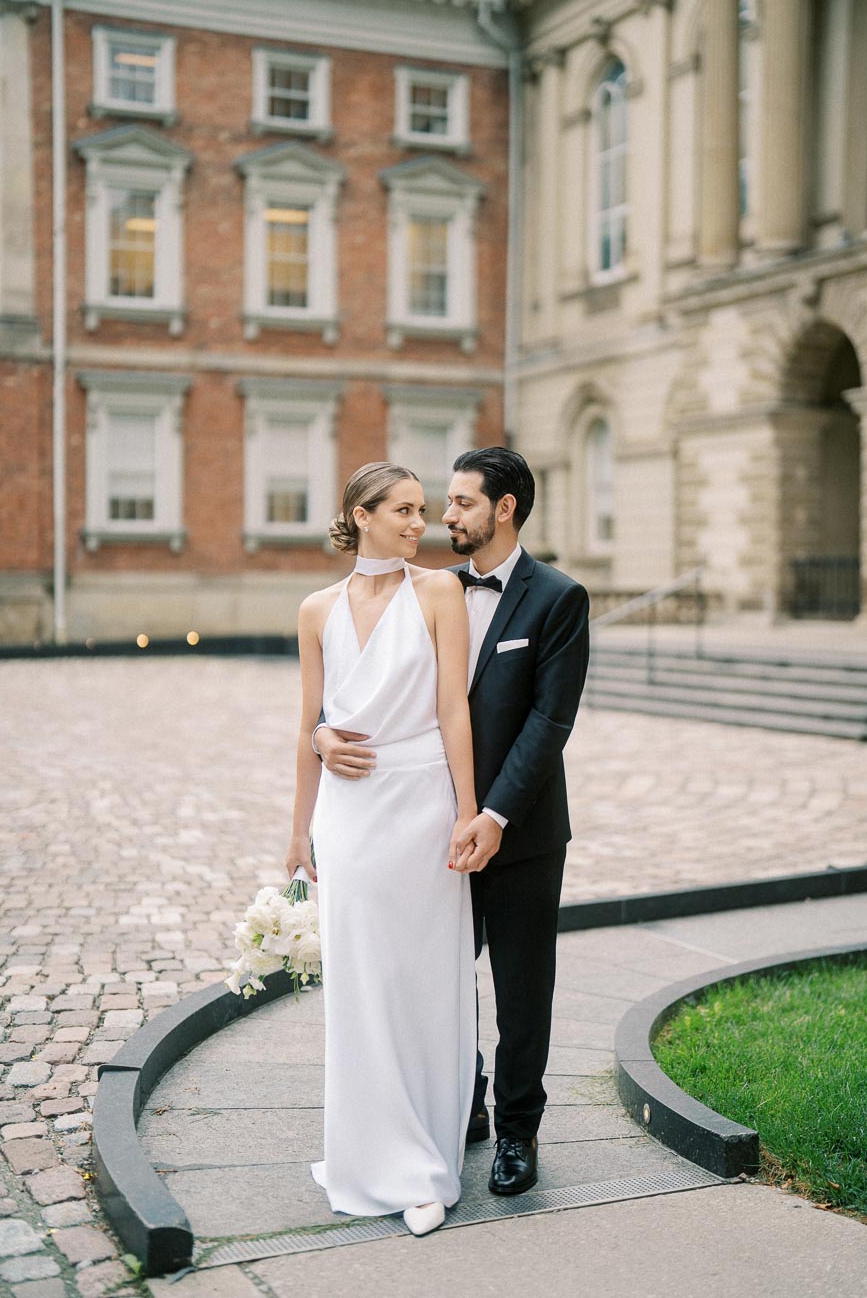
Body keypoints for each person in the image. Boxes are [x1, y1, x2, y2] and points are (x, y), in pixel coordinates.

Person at [316, 447, 590, 1197]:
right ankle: (456, 1105)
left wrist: (495, 812)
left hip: (521, 830)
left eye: (461, 502)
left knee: (522, 988)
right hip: (426, 826)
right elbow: (356, 684)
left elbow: (549, 721)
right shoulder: (425, 590)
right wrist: (320, 734)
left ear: (503, 509)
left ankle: (517, 1134)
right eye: (442, 502)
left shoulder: (559, 599)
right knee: (431, 973)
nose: (444, 515)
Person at [285, 462, 478, 1239]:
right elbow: (308, 723)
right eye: (401, 510)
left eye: (422, 511)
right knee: (361, 989)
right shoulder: (314, 609)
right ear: (360, 515)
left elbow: (454, 710)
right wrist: (298, 829)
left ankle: (426, 1160)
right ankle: (372, 1157)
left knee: (424, 983)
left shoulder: (439, 593)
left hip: (424, 809)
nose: (417, 524)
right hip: (350, 818)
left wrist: (469, 813)